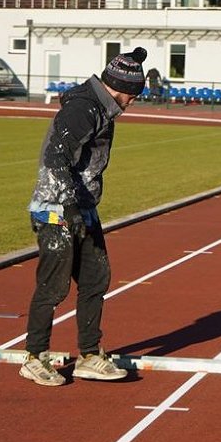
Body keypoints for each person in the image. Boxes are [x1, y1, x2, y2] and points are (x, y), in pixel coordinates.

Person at [19, 46, 148, 386]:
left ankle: (89, 354)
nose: (134, 102)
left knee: (95, 278)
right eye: (134, 95)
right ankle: (34, 356)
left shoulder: (103, 110)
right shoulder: (82, 109)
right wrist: (70, 208)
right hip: (55, 210)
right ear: (122, 89)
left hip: (83, 207)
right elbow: (55, 157)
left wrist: (83, 209)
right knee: (54, 285)